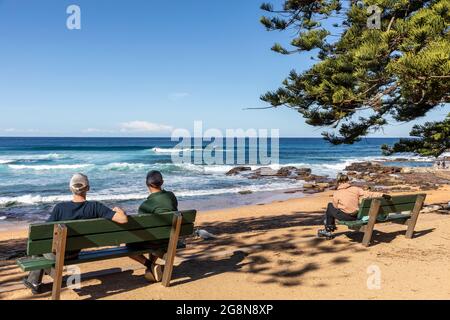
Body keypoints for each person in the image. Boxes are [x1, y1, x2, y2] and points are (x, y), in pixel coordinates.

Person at [23, 173, 128, 294]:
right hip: (75, 253)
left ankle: (40, 279)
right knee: (39, 249)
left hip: (58, 254)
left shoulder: (60, 208)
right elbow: (123, 219)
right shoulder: (95, 207)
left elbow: (43, 232)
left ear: (70, 188)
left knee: (38, 249)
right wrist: (119, 210)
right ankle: (34, 282)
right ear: (88, 188)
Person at [128, 170, 178, 282]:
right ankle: (152, 267)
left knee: (129, 246)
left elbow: (143, 226)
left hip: (156, 240)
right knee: (154, 235)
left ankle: (150, 264)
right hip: (171, 238)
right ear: (162, 182)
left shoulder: (146, 205)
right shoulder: (171, 196)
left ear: (147, 184)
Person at [317, 173, 388, 239]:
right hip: (357, 215)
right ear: (347, 180)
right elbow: (368, 194)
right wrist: (382, 194)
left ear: (338, 182)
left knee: (330, 206)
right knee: (332, 208)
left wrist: (342, 206)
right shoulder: (355, 189)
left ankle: (328, 230)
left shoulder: (337, 193)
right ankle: (329, 228)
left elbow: (335, 207)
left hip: (346, 217)